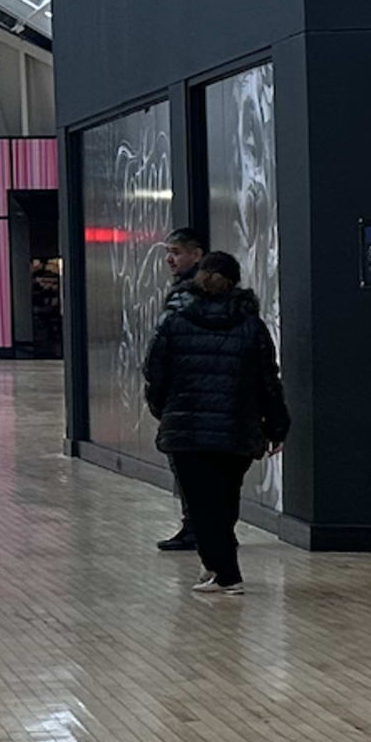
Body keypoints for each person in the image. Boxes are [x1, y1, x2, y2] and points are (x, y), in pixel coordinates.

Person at [138, 249, 285, 595]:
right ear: (236, 282)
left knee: (200, 504)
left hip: (186, 429)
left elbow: (154, 373)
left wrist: (165, 410)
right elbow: (269, 380)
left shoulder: (175, 322)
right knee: (224, 499)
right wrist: (277, 425)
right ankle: (217, 566)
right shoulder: (252, 327)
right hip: (237, 429)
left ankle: (226, 573)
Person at [153, 228, 212, 553]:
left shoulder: (182, 298)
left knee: (188, 464)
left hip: (186, 395)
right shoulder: (220, 295)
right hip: (210, 395)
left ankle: (196, 527)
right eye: (168, 251)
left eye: (176, 251)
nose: (169, 258)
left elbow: (162, 351)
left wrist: (159, 396)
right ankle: (212, 527)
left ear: (196, 254)